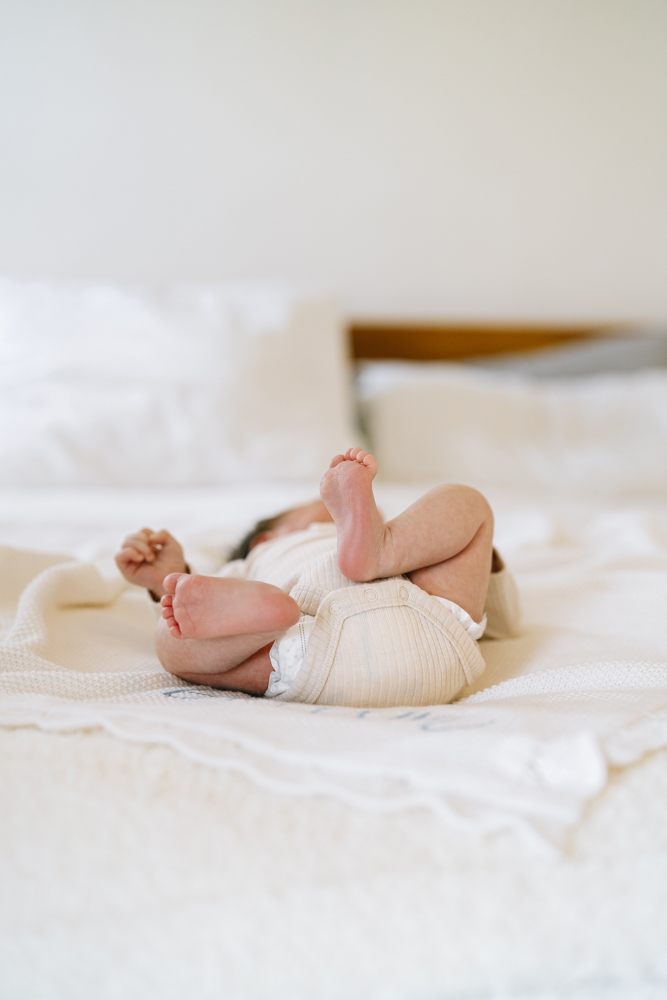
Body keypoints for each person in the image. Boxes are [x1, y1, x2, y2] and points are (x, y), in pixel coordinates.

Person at [115, 448, 520, 707]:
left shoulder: (408, 552)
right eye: (322, 511)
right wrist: (172, 578)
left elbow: (503, 622)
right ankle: (267, 614)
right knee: (177, 630)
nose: (376, 513)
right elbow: (194, 610)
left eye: (372, 519)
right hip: (421, 649)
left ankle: (378, 552)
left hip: (339, 650)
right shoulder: (248, 567)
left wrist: (440, 544)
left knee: (463, 502)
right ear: (266, 538)